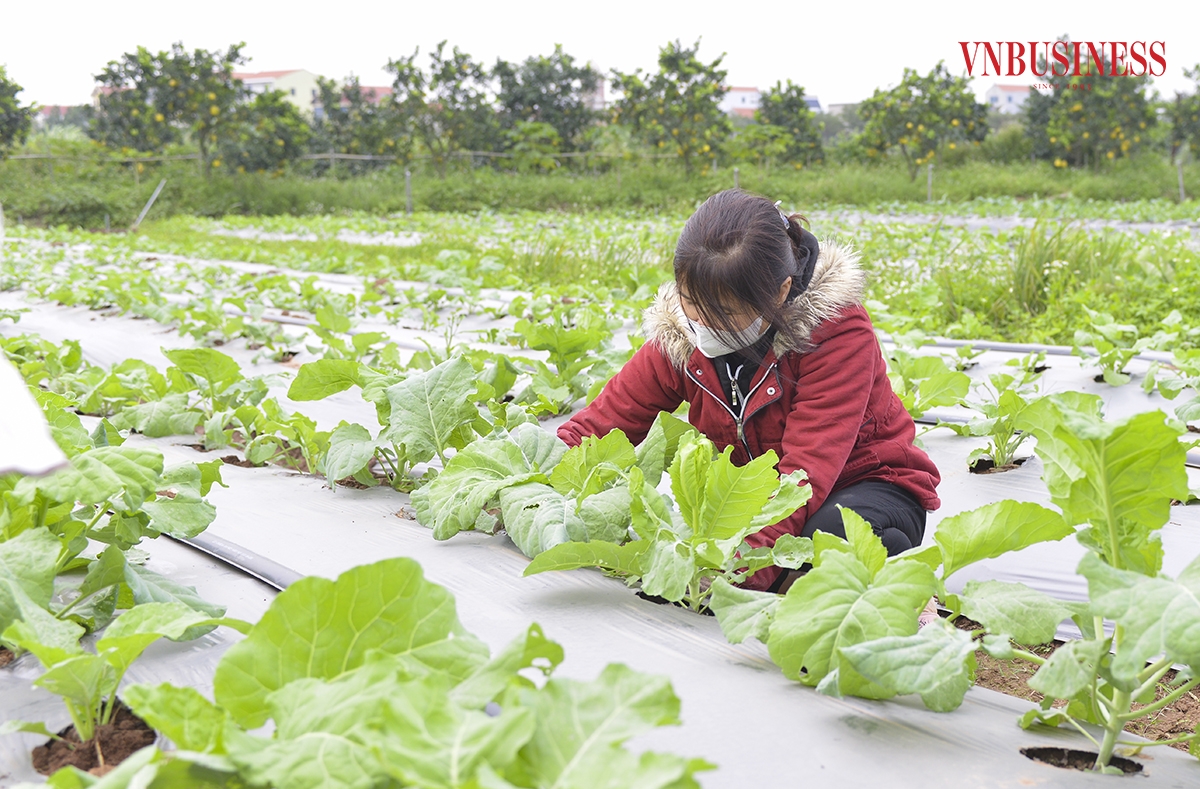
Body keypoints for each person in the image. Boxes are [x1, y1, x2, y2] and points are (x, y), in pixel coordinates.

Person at [557, 189, 942, 597]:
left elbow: (803, 476)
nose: (702, 322)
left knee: (829, 538)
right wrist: (541, 490)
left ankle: (893, 580)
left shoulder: (835, 333)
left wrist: (733, 569)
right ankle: (798, 579)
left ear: (780, 292)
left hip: (868, 483)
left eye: (723, 311)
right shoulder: (680, 335)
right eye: (691, 300)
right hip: (758, 498)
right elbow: (602, 424)